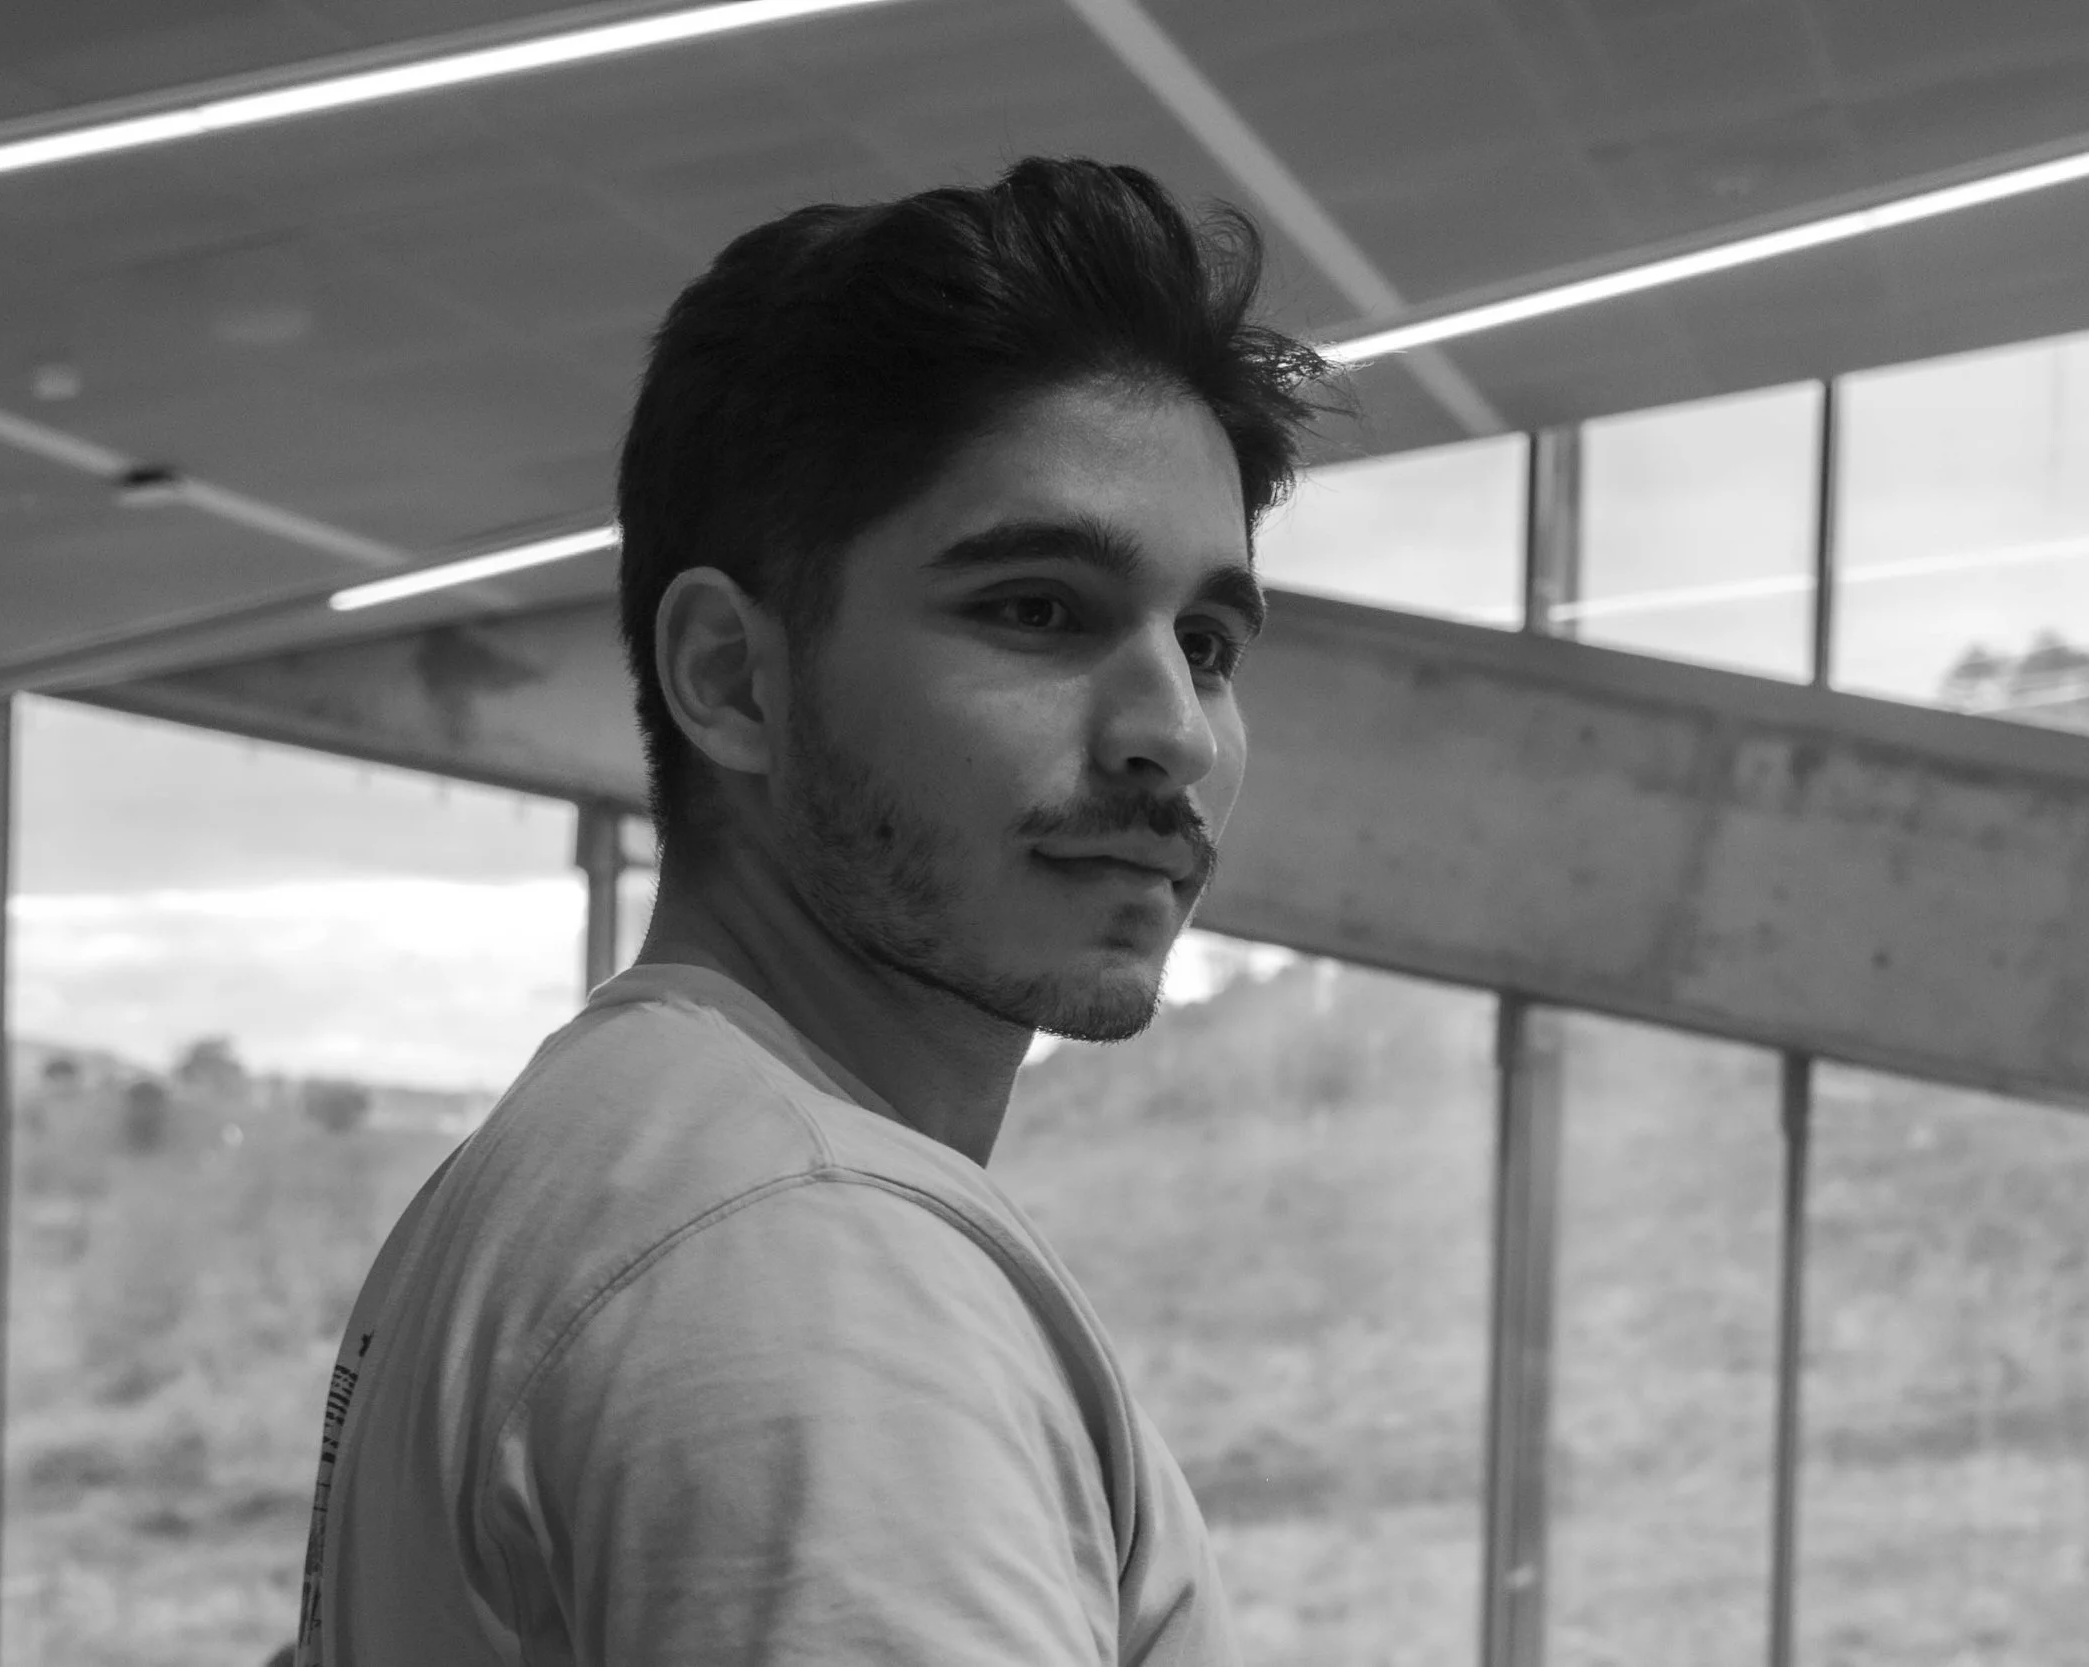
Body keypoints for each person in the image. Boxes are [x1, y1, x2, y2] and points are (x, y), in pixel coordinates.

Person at [289, 155, 1334, 1665]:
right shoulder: (809, 1271)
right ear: (730, 677)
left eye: (1212, 639)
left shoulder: (588, 1164)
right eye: (1036, 608)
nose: (1172, 728)